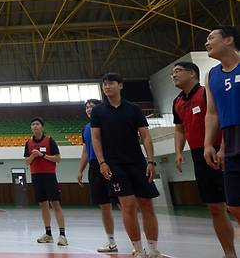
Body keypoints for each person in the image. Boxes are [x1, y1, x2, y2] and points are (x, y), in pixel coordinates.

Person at [91, 73, 161, 258]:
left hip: (137, 163)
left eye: (111, 83)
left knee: (147, 205)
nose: (107, 87)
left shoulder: (134, 109)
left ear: (120, 86)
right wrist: (102, 162)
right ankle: (137, 249)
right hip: (114, 165)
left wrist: (150, 160)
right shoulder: (98, 111)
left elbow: (145, 136)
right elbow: (96, 138)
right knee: (128, 205)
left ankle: (153, 249)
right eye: (104, 84)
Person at [172, 61, 236, 258]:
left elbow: (220, 118)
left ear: (192, 74)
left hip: (221, 151)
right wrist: (179, 152)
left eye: (178, 71)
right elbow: (179, 129)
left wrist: (223, 147)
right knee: (215, 208)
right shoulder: (177, 102)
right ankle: (229, 254)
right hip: (199, 156)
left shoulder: (206, 93)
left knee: (234, 205)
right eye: (172, 73)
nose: (173, 75)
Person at [204, 25, 240, 224]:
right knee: (233, 204)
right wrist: (210, 144)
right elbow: (212, 113)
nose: (206, 42)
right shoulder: (211, 75)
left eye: (211, 37)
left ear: (229, 40)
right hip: (230, 138)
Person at [77, 99, 116, 253]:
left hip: (109, 163)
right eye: (86, 107)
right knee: (104, 205)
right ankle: (111, 241)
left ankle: (137, 241)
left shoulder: (108, 123)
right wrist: (80, 169)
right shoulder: (86, 128)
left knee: (123, 202)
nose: (89, 109)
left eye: (92, 106)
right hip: (94, 166)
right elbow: (86, 151)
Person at [24, 117, 67, 247]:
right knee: (43, 205)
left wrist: (42, 155)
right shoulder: (28, 143)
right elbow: (26, 161)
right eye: (33, 124)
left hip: (49, 176)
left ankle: (62, 235)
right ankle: (48, 234)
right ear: (31, 128)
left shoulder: (50, 141)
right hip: (36, 177)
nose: (35, 126)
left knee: (55, 204)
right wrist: (33, 155)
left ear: (42, 127)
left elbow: (58, 159)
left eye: (37, 124)